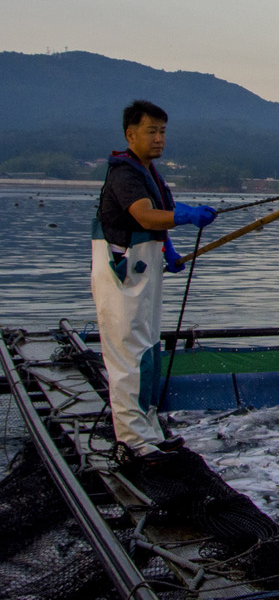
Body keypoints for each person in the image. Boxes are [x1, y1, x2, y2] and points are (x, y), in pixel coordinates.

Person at [92, 99, 218, 457]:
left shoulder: (150, 173)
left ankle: (150, 430)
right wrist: (186, 214)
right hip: (121, 274)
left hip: (145, 270)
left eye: (163, 131)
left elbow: (157, 225)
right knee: (128, 354)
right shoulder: (125, 174)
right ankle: (133, 442)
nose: (160, 139)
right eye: (151, 131)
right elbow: (146, 217)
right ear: (131, 134)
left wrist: (169, 251)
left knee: (148, 351)